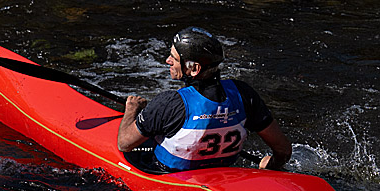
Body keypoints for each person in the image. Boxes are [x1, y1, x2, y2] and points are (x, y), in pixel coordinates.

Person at [117, 27, 291, 173]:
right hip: (224, 177)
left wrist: (132, 110)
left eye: (174, 58)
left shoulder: (169, 103)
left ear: (194, 69)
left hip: (170, 177)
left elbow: (124, 144)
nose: (167, 61)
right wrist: (271, 165)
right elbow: (283, 150)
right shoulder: (243, 94)